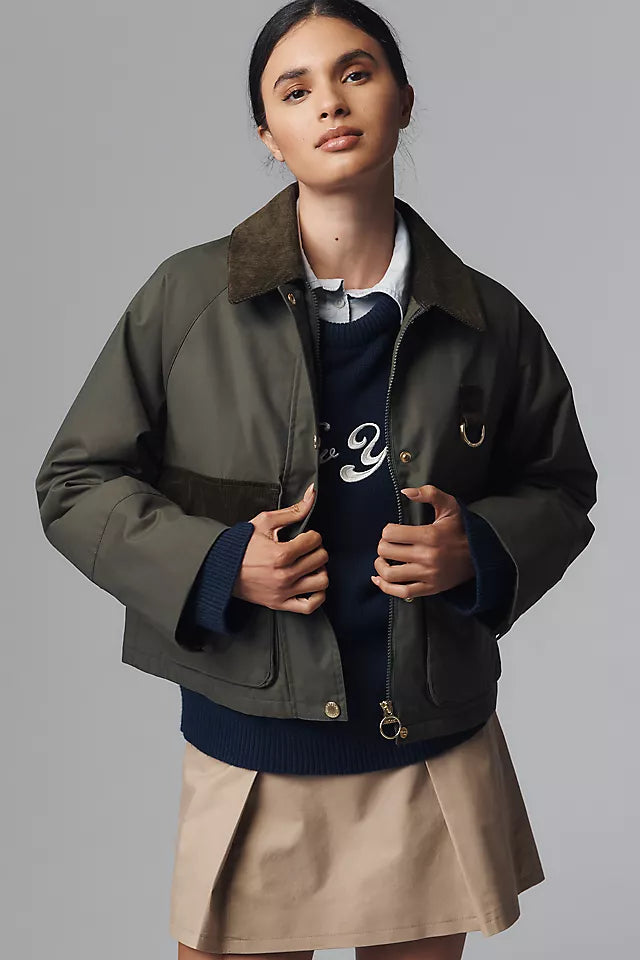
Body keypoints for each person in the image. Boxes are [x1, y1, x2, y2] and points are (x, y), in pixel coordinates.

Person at [34, 2, 598, 958]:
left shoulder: (488, 320)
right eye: (294, 91)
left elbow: (560, 485)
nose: (330, 103)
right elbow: (75, 481)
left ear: (403, 100)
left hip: (431, 738)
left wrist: (478, 549)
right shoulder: (187, 299)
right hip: (254, 738)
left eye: (356, 73)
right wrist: (219, 565)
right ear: (268, 133)